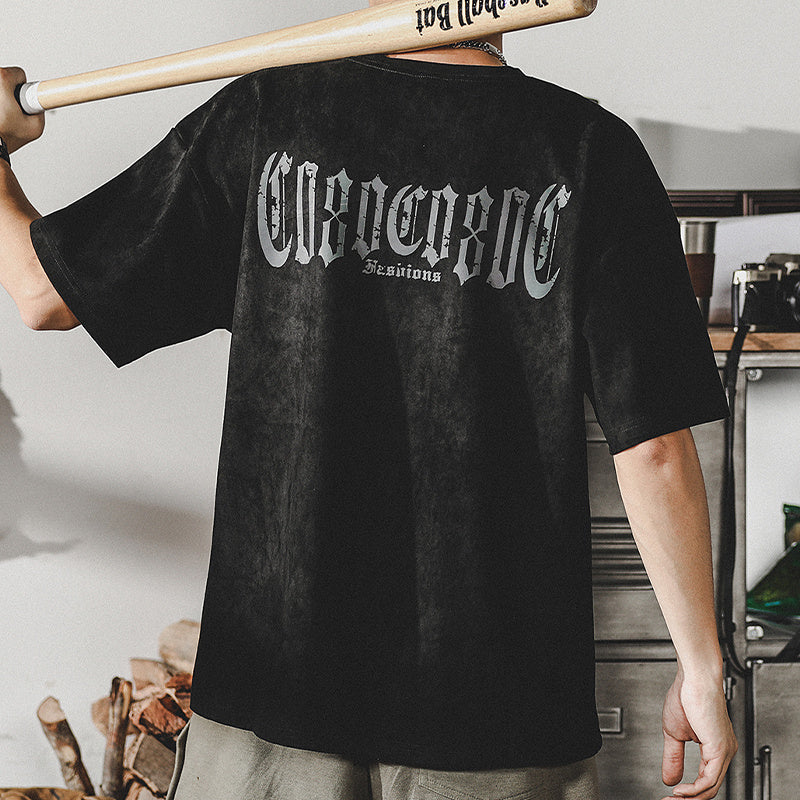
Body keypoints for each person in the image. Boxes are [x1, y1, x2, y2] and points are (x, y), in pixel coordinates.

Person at [0, 2, 736, 797]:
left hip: (276, 697)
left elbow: (43, 293)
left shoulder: (267, 115)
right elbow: (654, 447)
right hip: (495, 708)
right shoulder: (591, 151)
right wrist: (701, 667)